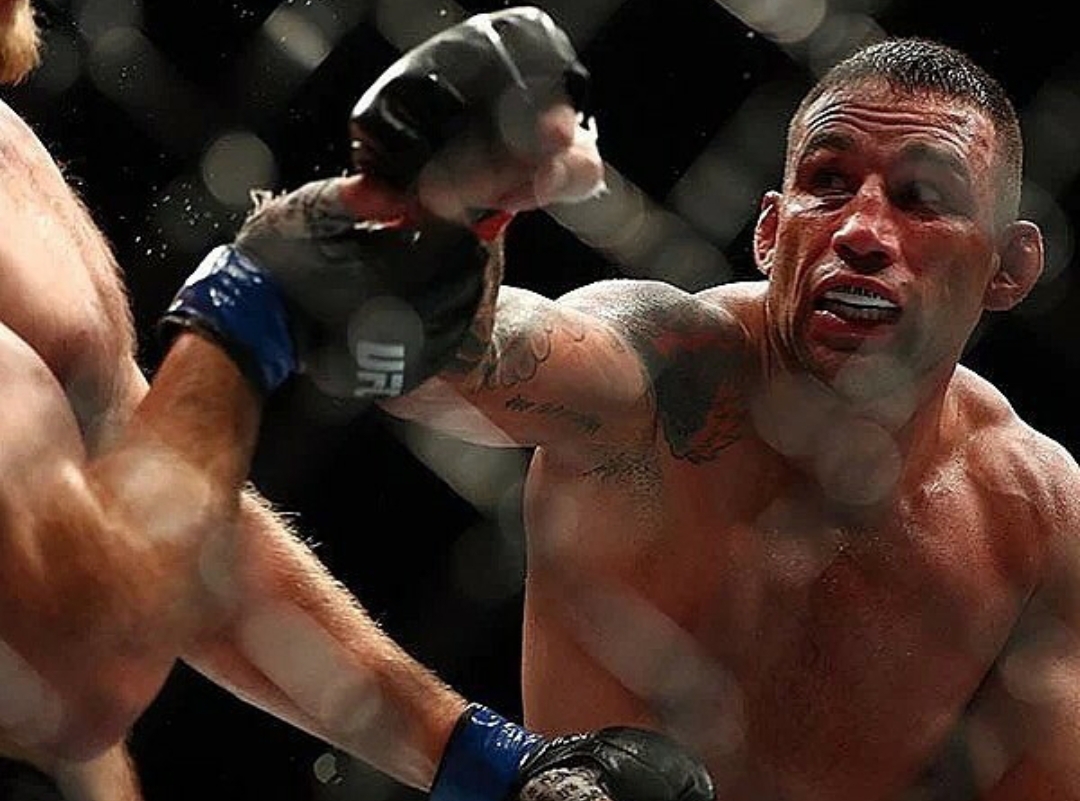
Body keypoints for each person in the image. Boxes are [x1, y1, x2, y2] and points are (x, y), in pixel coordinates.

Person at [0, 3, 715, 801]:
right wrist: (248, 308)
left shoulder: (11, 152)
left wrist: (486, 760)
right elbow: (66, 679)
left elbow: (167, 524)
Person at [370, 31, 1080, 801]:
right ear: (770, 233)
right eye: (829, 183)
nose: (860, 232)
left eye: (924, 199)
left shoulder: (1038, 514)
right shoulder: (661, 370)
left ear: (1009, 267)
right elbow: (447, 360)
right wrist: (453, 213)